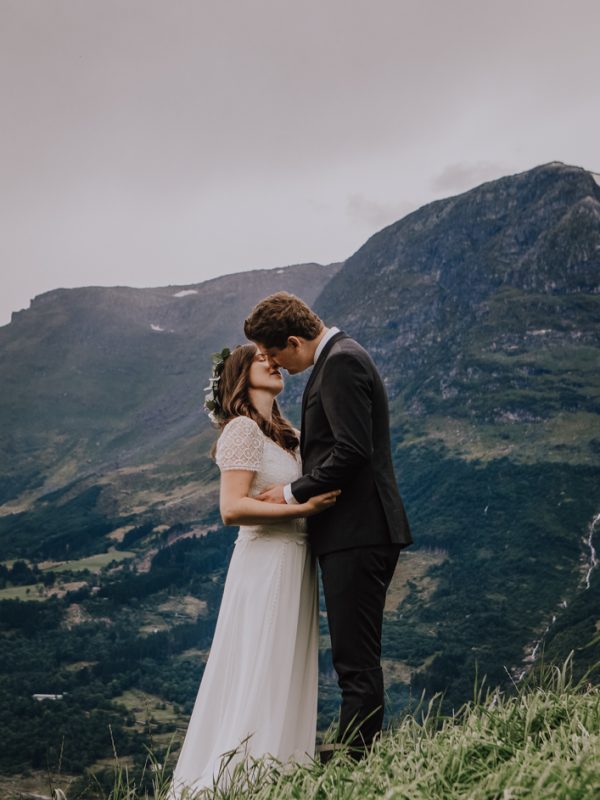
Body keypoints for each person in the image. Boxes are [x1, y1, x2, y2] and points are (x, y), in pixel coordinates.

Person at [244, 292, 412, 760]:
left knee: (355, 662)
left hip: (359, 532)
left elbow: (352, 451)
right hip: (357, 532)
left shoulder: (340, 363)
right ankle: (358, 757)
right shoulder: (343, 357)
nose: (275, 364)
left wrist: (290, 493)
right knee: (354, 657)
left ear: (294, 341)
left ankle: (356, 765)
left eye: (275, 354)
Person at [167, 344, 340, 798]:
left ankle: (280, 772)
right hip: (265, 562)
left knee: (286, 664)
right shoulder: (241, 429)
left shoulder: (290, 434)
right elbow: (231, 508)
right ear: (239, 375)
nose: (274, 362)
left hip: (297, 560)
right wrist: (304, 506)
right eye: (262, 358)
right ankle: (239, 779)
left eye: (275, 357)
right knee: (260, 663)